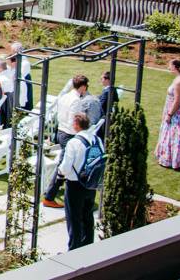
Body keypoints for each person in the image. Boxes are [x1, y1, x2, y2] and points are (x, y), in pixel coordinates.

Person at [43, 75, 90, 208]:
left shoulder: (65, 96)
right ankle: (49, 196)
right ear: (82, 86)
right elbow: (72, 121)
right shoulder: (76, 100)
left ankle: (50, 194)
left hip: (61, 131)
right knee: (64, 167)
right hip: (69, 134)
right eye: (86, 86)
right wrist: (79, 136)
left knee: (64, 165)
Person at [58, 113, 102, 250]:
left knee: (74, 219)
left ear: (77, 125)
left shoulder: (74, 142)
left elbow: (65, 167)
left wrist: (60, 173)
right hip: (91, 183)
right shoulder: (97, 139)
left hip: (75, 184)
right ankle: (87, 246)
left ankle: (74, 249)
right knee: (88, 216)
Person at [155, 59, 180, 169]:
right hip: (177, 110)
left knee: (174, 134)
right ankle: (172, 159)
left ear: (175, 67)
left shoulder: (179, 81)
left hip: (176, 112)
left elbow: (177, 101)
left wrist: (169, 114)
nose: (169, 67)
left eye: (170, 65)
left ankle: (172, 160)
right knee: (172, 133)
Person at [9, 42, 33, 110]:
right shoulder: (19, 59)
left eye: (12, 51)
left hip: (24, 83)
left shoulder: (24, 62)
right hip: (21, 81)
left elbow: (20, 75)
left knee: (25, 102)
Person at [97, 71, 118, 139]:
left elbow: (100, 105)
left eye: (102, 79)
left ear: (107, 80)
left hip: (105, 119)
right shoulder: (113, 89)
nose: (101, 80)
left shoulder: (107, 92)